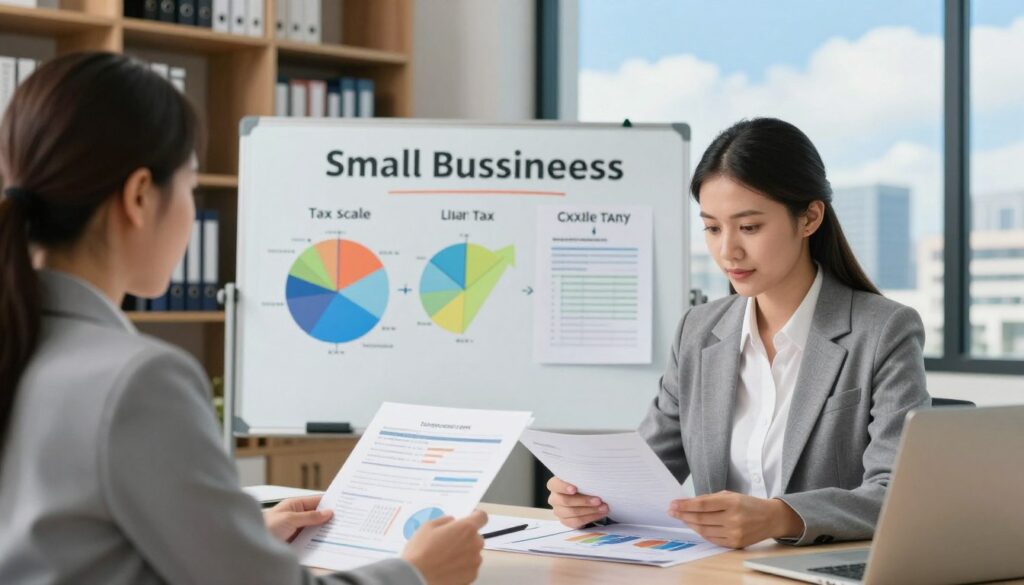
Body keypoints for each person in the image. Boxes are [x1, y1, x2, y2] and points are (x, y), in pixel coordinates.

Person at [0, 52, 486, 584]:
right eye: (189, 186)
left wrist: (234, 533)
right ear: (140, 196)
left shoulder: (25, 342)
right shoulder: (138, 380)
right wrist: (417, 573)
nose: (190, 209)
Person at [547, 118, 930, 549]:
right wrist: (592, 501)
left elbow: (894, 493)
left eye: (749, 227)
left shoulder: (883, 331)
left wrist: (779, 517)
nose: (728, 250)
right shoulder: (698, 331)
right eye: (712, 228)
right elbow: (645, 474)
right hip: (713, 571)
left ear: (809, 218)